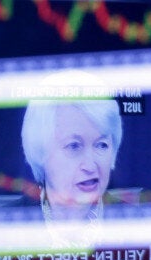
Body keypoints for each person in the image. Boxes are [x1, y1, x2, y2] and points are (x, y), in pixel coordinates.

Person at [20, 70, 123, 247]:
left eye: (101, 145)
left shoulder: (140, 225)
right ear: (40, 151)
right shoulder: (2, 227)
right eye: (74, 146)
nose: (90, 166)